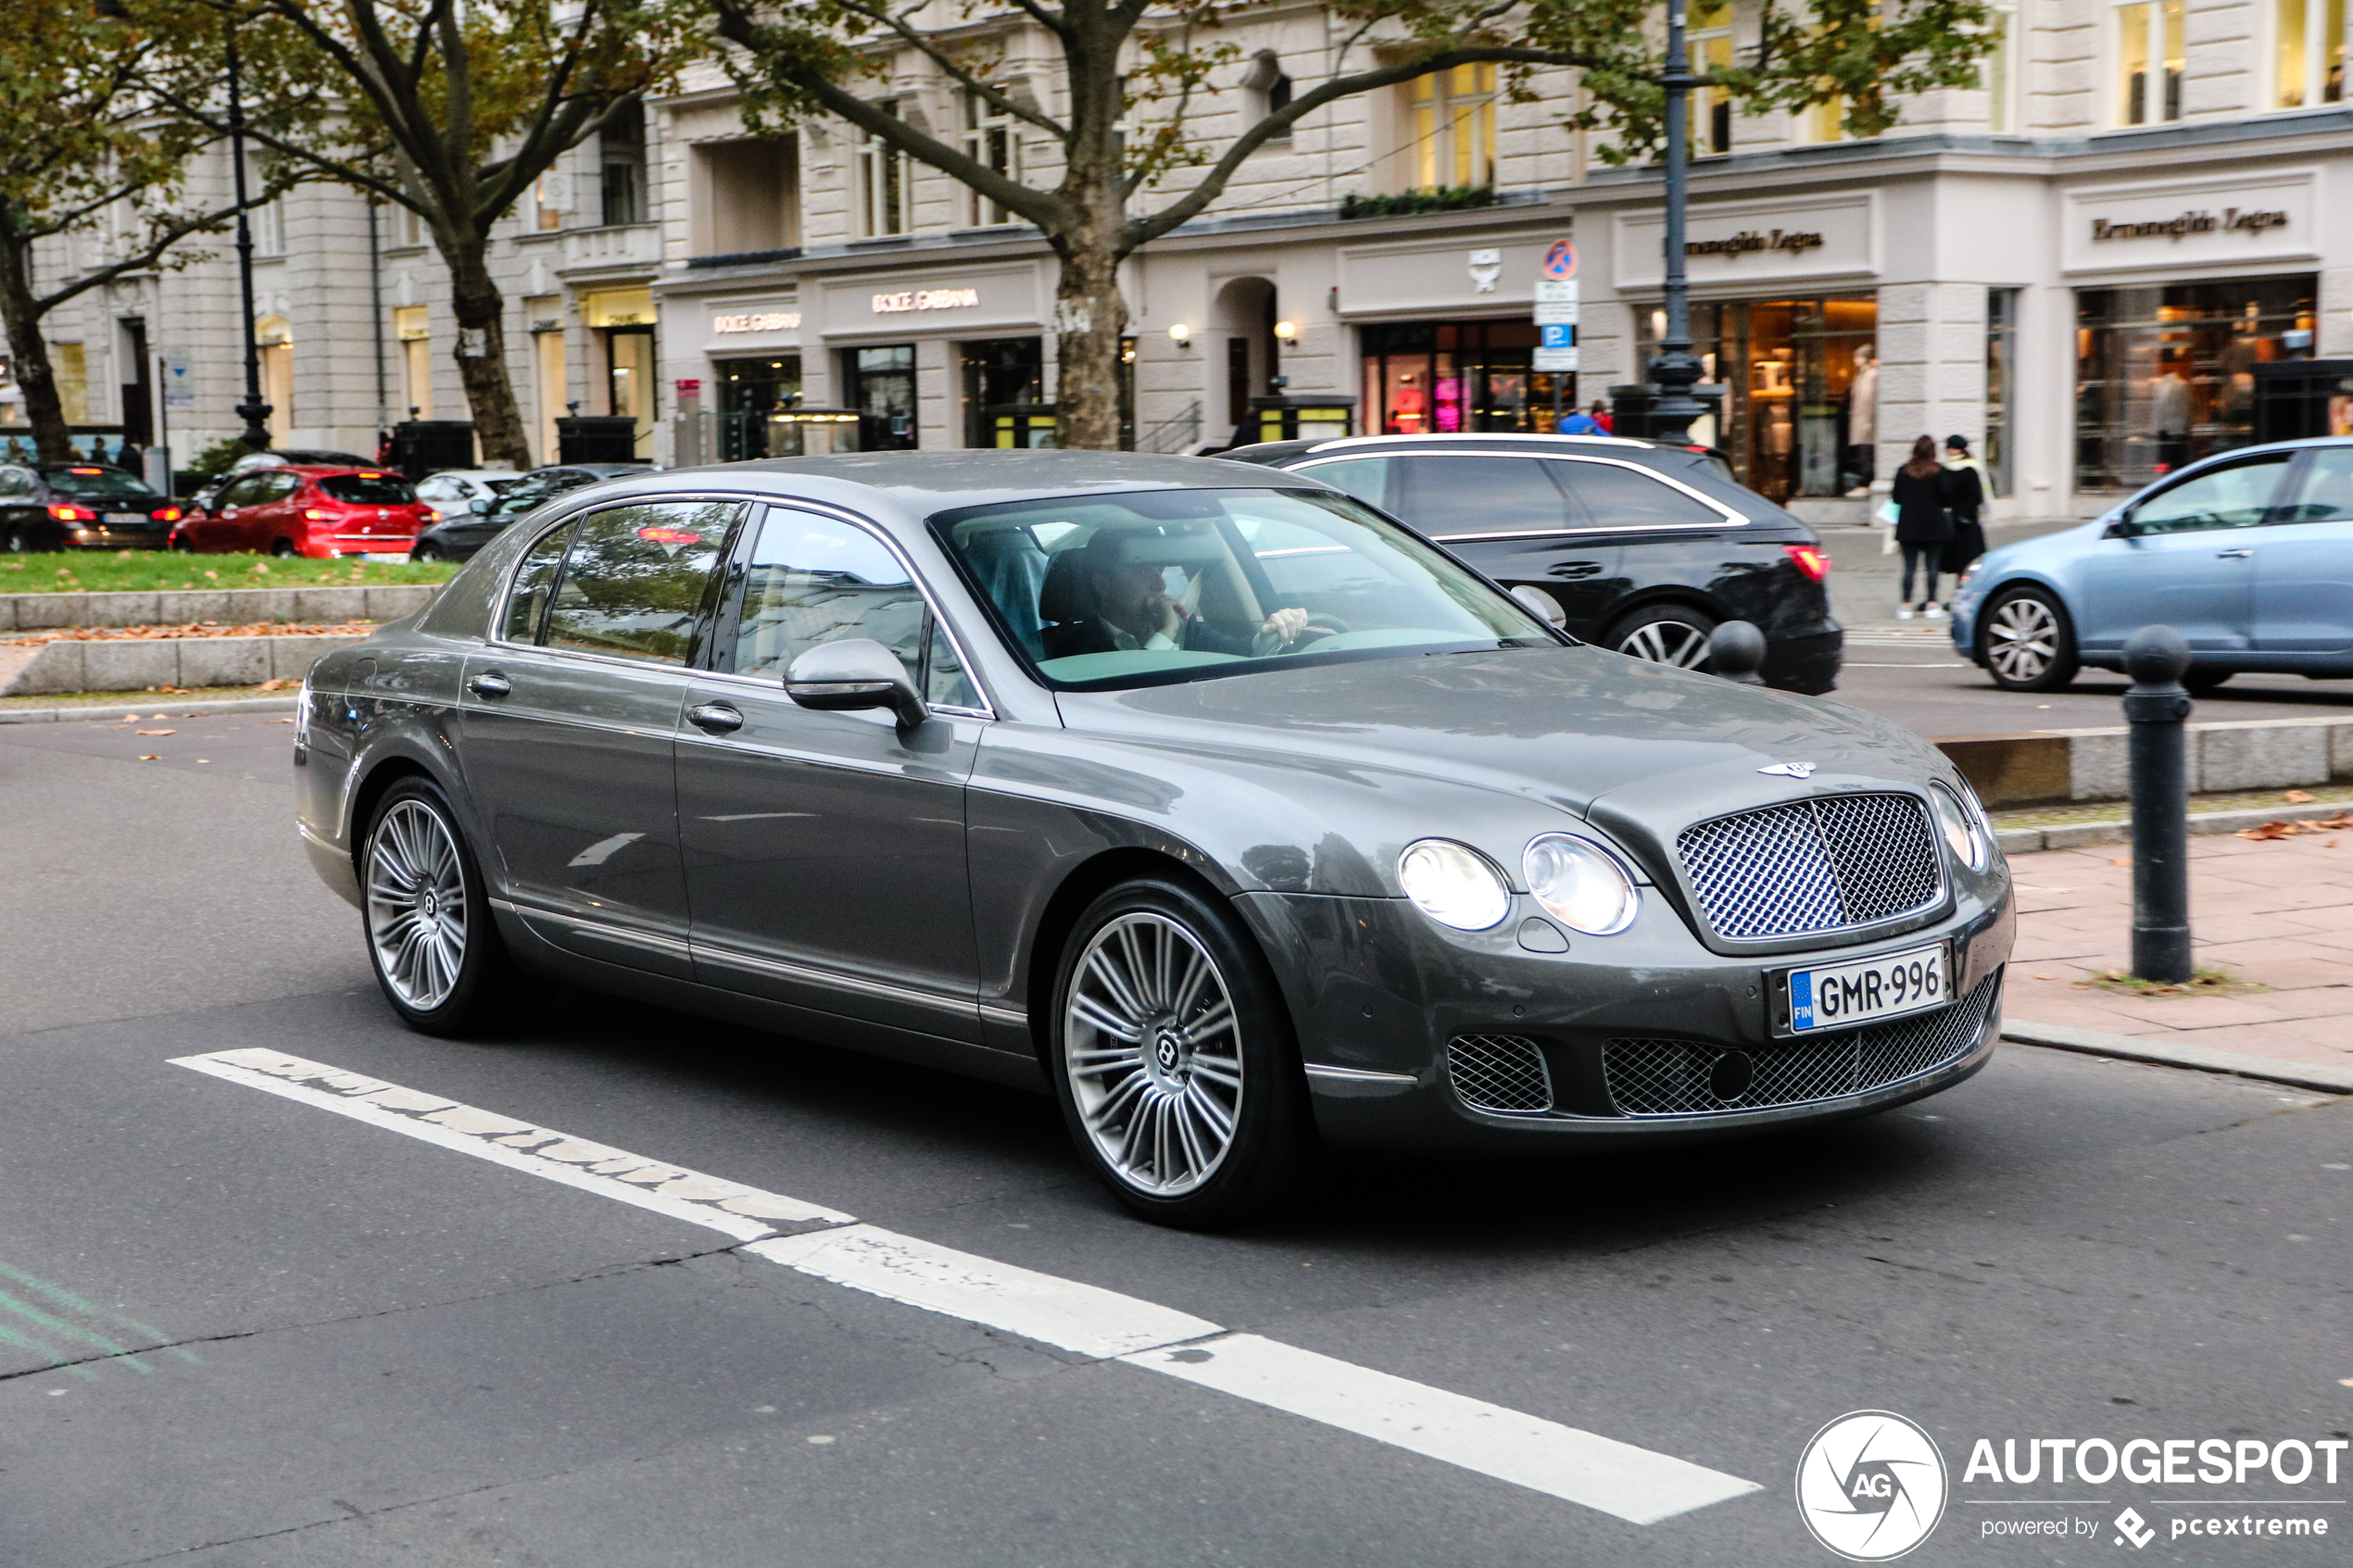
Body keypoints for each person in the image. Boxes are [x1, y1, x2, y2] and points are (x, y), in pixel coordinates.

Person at [1043, 535, 1317, 659]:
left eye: (1161, 570)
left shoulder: (1188, 631)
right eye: (1142, 572)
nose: (1160, 584)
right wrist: (1167, 631)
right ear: (1103, 584)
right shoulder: (1065, 651)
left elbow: (1242, 652)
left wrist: (1275, 632)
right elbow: (1139, 682)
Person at [1891, 433, 1953, 621]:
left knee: (1909, 567)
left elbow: (1896, 498)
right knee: (1932, 566)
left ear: (1915, 450)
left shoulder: (1903, 471)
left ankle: (1906, 605)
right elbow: (1946, 497)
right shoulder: (1939, 471)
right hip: (1933, 525)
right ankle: (1932, 604)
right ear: (1933, 452)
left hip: (1908, 525)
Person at [1938, 434, 1987, 598]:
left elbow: (1974, 496)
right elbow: (1977, 496)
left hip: (1959, 523)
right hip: (1963, 522)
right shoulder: (1968, 468)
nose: (1949, 451)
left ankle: (1960, 596)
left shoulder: (1962, 469)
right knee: (1963, 563)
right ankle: (1959, 596)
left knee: (1963, 563)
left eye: (1952, 448)